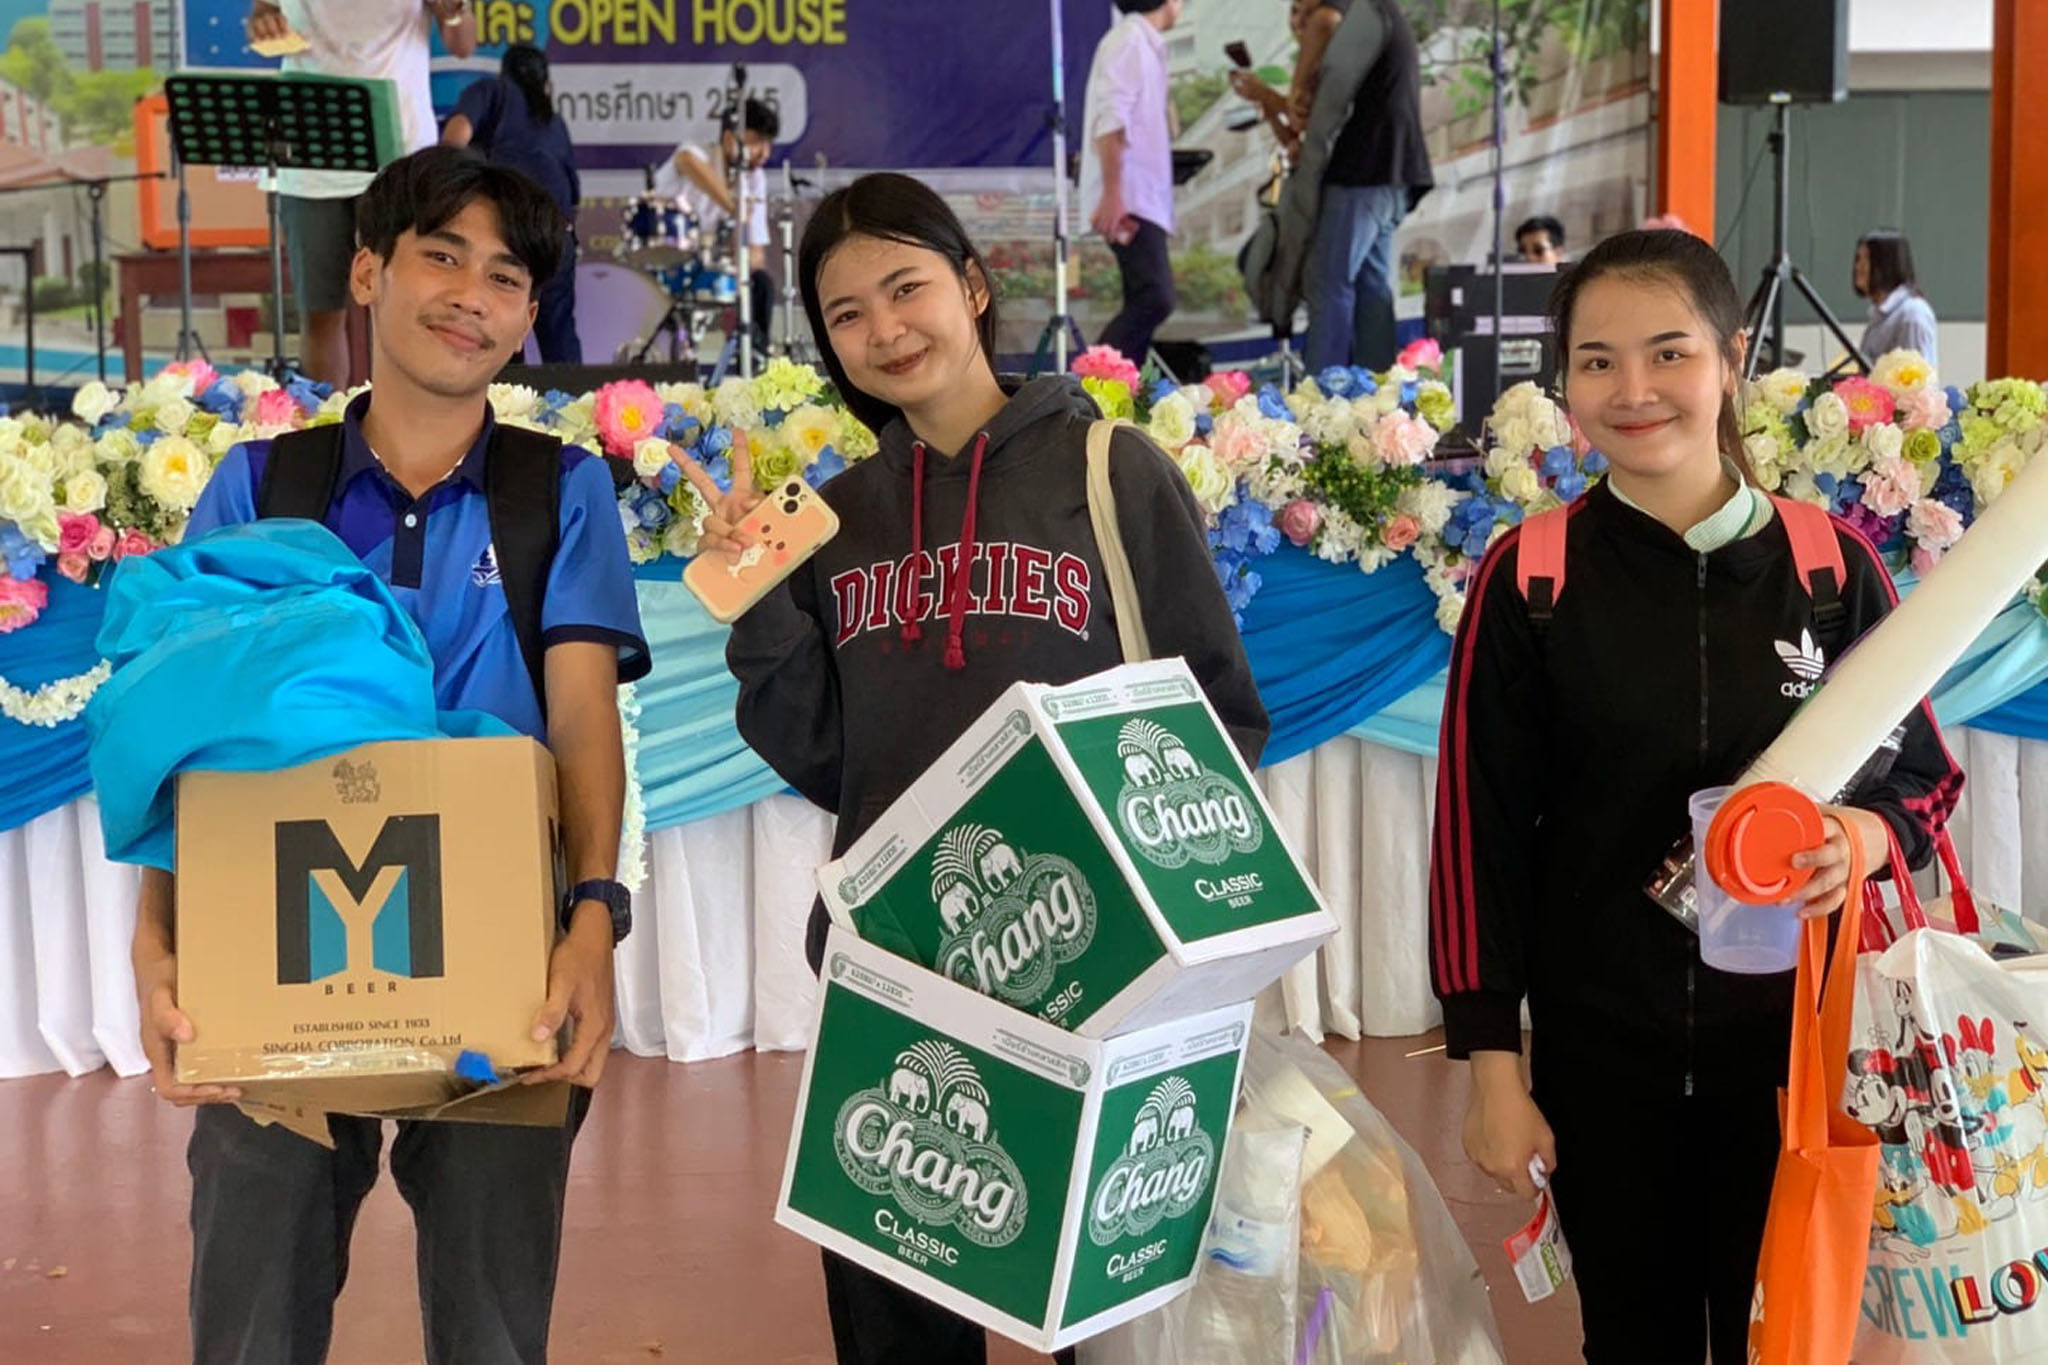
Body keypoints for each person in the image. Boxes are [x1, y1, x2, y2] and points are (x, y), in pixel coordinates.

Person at [679, 171, 1268, 1365]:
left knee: (1103, 1331)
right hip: (895, 979)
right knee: (897, 1335)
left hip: (1090, 970)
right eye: (846, 314)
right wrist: (753, 603)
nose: (884, 331)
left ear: (973, 285)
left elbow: (1213, 716)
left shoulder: (1109, 469)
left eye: (906, 289)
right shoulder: (830, 514)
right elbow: (821, 757)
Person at [131, 147, 651, 1365]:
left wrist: (591, 926)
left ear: (528, 319)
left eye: (506, 276)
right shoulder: (262, 487)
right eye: (440, 256)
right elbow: (188, 741)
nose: (471, 293)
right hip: (276, 949)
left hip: (502, 958)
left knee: (492, 1329)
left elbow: (581, 727)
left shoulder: (556, 493)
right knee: (251, 1321)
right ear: (368, 270)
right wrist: (157, 945)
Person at [1430, 228, 1964, 1363]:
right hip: (1600, 1058)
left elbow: (1921, 776)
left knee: (1786, 1339)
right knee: (1632, 1341)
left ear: (1729, 359)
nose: (1632, 392)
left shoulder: (1826, 572)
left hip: (1795, 1061)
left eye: (1666, 354)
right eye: (1595, 361)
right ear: (1562, 381)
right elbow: (1474, 836)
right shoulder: (1532, 579)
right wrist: (1490, 1067)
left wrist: (1859, 838)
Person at [247, 0, 475, 389]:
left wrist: (453, 11)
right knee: (320, 317)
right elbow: (264, 11)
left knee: (406, 313)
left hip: (399, 157)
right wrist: (264, 22)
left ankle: (409, 435)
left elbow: (463, 44)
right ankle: (329, 433)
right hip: (309, 160)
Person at [1232, 0, 1432, 371]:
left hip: (1363, 171)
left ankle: (1324, 397)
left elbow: (1313, 115)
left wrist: (1277, 94)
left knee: (1328, 283)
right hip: (1392, 173)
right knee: (1370, 285)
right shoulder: (1378, 16)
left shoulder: (1342, 18)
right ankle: (1377, 394)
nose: (1300, 20)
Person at [443, 44, 583, 364]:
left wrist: (444, 183)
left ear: (504, 71)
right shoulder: (553, 120)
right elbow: (573, 198)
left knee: (499, 330)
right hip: (556, 234)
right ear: (545, 82)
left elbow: (456, 136)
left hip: (506, 229)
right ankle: (575, 410)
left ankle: (506, 409)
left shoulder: (490, 91)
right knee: (560, 337)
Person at [1081, 0, 1183, 364]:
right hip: (1131, 196)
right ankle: (1088, 385)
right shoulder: (1129, 41)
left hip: (1141, 196)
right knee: (1155, 297)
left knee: (1145, 297)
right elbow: (1110, 123)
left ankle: (1120, 398)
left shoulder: (1145, 43)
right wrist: (1112, 195)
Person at [654, 96, 779, 358]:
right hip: (670, 264)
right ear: (730, 138)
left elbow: (754, 251)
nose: (764, 153)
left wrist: (747, 262)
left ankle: (753, 359)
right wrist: (735, 207)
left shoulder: (754, 179)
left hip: (716, 272)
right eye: (756, 143)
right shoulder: (698, 153)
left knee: (761, 283)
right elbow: (687, 161)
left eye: (768, 144)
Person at [1855, 228, 1939, 367]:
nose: (1859, 267)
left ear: (1887, 264)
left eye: (1867, 259)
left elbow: (1913, 380)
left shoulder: (1912, 315)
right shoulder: (1879, 313)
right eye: (1858, 259)